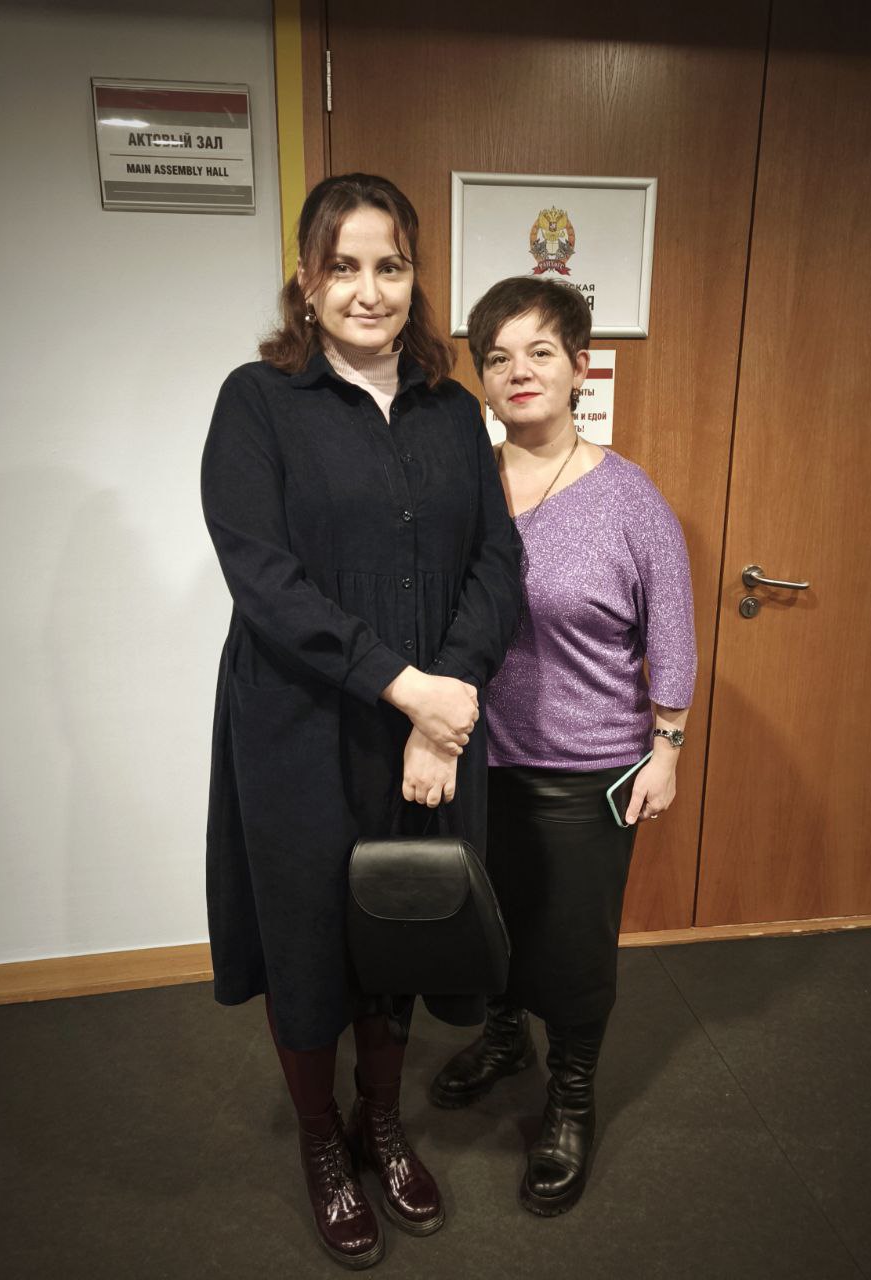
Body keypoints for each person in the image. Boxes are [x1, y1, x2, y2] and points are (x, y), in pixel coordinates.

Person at [201, 174, 522, 1268]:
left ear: (414, 277)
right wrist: (405, 686)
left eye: (390, 265)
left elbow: (496, 563)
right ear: (307, 279)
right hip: (297, 723)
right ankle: (320, 1140)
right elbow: (264, 577)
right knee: (306, 934)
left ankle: (380, 1124)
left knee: (399, 918)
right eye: (343, 266)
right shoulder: (258, 401)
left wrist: (446, 699)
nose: (368, 290)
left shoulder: (450, 409)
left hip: (424, 728)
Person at [430, 277, 697, 1217]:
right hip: (475, 759)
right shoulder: (463, 488)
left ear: (579, 367)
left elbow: (673, 631)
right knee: (489, 925)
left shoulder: (628, 497)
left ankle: (571, 1096)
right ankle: (506, 1038)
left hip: (587, 771)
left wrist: (666, 748)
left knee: (574, 949)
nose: (519, 371)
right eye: (497, 357)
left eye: (539, 352)